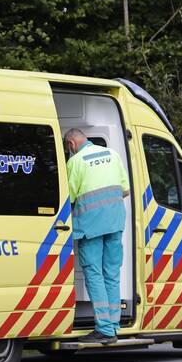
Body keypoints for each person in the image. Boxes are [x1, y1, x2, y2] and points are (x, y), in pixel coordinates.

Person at [64, 128, 130, 344]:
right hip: (115, 222)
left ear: (72, 144)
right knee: (111, 273)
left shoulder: (75, 162)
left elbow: (69, 199)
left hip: (91, 226)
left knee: (94, 275)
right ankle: (113, 324)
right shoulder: (112, 154)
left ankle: (104, 329)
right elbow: (125, 190)